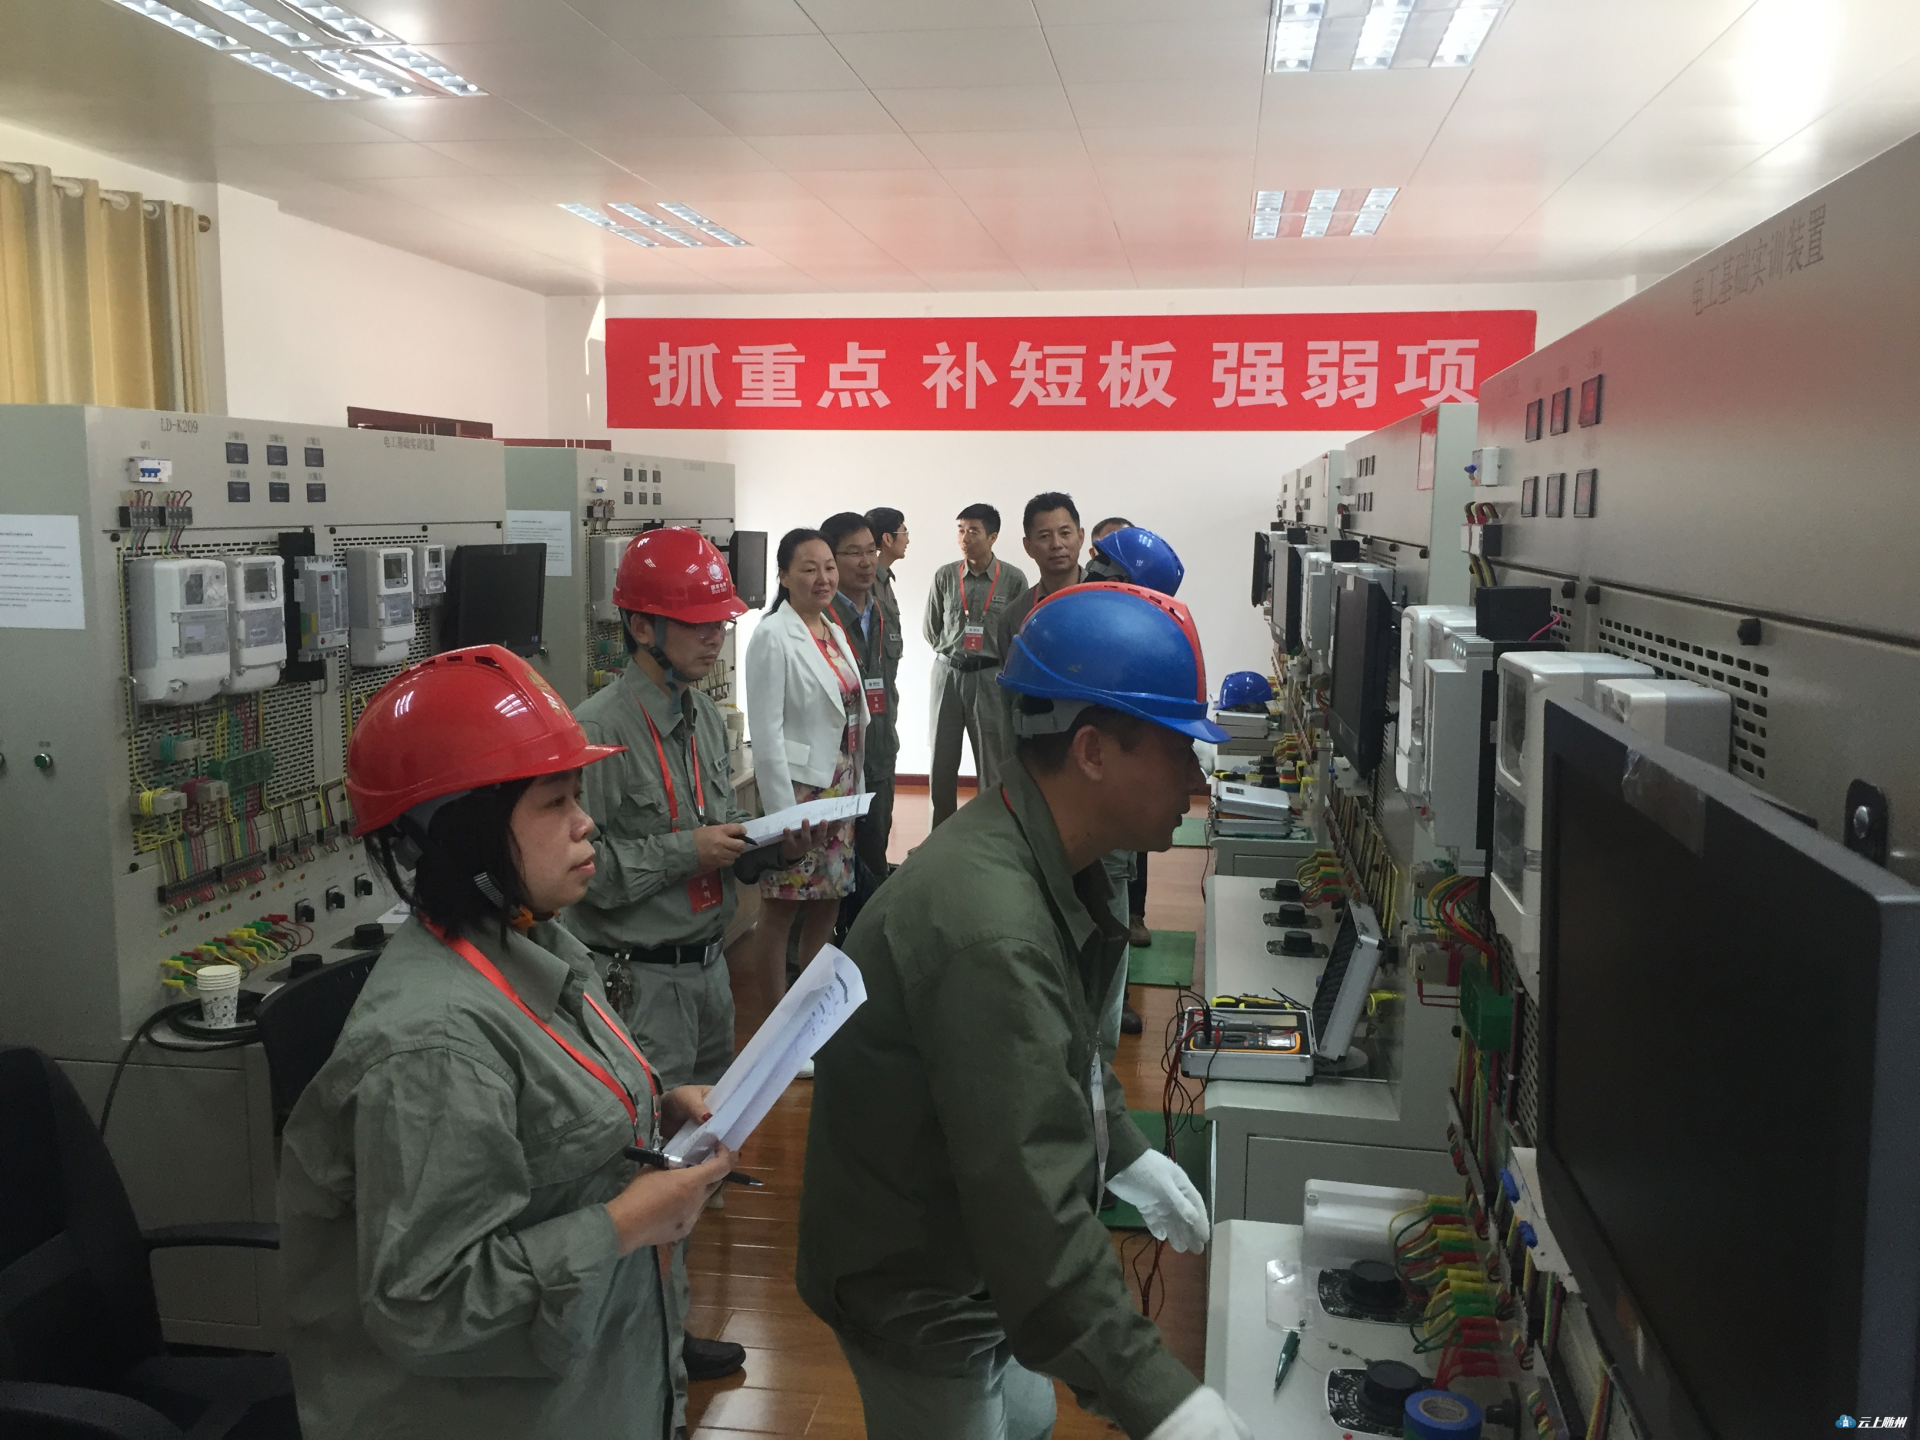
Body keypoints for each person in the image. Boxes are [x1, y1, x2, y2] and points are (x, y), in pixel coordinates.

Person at [798, 582, 1249, 1440]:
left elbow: (1056, 1051)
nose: (1195, 779)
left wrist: (1124, 1152)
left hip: (972, 1265)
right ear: (1092, 752)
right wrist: (1164, 1402)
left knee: (1028, 1417)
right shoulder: (991, 927)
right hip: (919, 1289)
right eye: (1178, 750)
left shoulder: (1038, 851)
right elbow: (1027, 1204)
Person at [279, 644, 735, 1440]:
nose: (586, 823)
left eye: (577, 796)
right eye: (555, 803)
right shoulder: (435, 1046)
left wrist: (652, 1114)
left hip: (602, 1382)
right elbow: (428, 1305)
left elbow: (543, 1137)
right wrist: (624, 1224)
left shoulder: (533, 944)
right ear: (468, 837)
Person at [563, 528, 814, 1411]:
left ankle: (668, 1333)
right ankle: (639, 1363)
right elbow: (587, 874)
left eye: (720, 621)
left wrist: (763, 848)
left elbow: (714, 836)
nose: (716, 636)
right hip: (640, 984)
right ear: (642, 627)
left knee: (697, 1165)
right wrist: (687, 851)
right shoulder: (598, 731)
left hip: (707, 972)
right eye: (698, 623)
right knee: (643, 1176)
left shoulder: (703, 716)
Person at [736, 527, 869, 1039]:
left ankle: (812, 1021)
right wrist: (782, 817)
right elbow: (766, 731)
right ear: (784, 576)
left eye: (828, 567)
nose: (823, 577)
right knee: (781, 910)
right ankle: (777, 1030)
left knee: (826, 907)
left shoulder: (831, 629)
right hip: (801, 795)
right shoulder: (773, 634)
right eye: (809, 568)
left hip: (840, 793)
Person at [924, 503, 1028, 826]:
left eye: (973, 531)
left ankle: (990, 833)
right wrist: (952, 652)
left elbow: (1020, 633)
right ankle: (939, 837)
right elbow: (931, 629)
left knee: (992, 762)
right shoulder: (945, 575)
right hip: (947, 675)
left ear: (992, 536)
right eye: (960, 530)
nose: (964, 538)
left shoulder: (1012, 578)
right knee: (941, 760)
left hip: (990, 677)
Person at [1089, 517, 1165, 951]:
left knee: (1133, 836)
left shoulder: (1151, 615)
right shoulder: (1079, 607)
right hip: (1093, 742)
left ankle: (1132, 914)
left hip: (1132, 738)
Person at [823, 510, 898, 891]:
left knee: (874, 859)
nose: (867, 561)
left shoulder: (884, 613)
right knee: (830, 874)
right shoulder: (818, 620)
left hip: (879, 755)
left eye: (871, 551)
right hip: (833, 767)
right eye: (854, 553)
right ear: (831, 559)